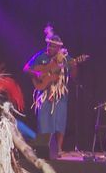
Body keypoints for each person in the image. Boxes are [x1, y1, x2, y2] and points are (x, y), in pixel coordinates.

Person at [24, 25, 78, 156]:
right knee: (44, 121)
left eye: (53, 46)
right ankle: (45, 147)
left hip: (60, 94)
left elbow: (74, 76)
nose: (49, 48)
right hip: (44, 93)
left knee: (59, 121)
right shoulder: (40, 56)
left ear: (59, 48)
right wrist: (37, 74)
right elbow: (26, 68)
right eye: (48, 45)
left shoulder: (66, 58)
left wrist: (74, 65)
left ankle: (58, 149)